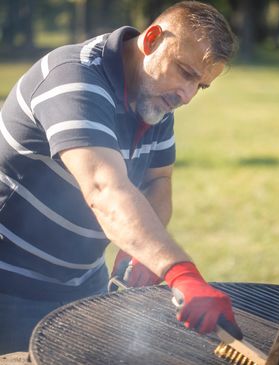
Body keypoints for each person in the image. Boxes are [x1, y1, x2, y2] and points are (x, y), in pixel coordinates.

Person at [0, 1, 242, 354]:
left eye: (200, 86)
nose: (187, 96)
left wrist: (143, 252)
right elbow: (103, 189)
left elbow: (159, 181)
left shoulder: (156, 99)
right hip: (11, 287)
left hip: (83, 284)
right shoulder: (74, 77)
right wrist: (182, 275)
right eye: (185, 72)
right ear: (153, 39)